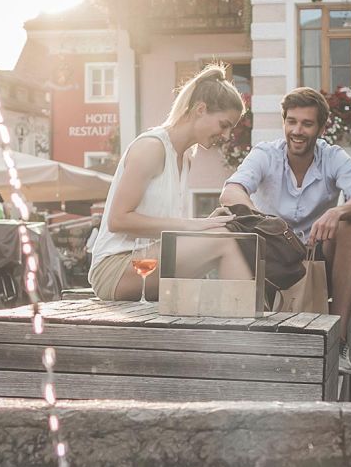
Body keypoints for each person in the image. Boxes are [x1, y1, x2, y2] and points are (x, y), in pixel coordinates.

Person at [221, 87, 351, 375]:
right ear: (284, 122)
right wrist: (262, 222)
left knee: (350, 225)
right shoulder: (265, 154)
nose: (297, 130)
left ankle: (340, 341)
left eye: (306, 123)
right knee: (233, 226)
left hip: (318, 253)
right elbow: (231, 191)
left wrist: (337, 211)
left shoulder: (333, 157)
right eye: (291, 121)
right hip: (271, 254)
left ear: (320, 128)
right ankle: (244, 335)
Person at [89, 64, 248, 301]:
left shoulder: (186, 158)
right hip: (116, 268)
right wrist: (191, 226)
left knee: (231, 234)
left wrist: (204, 225)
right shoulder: (152, 148)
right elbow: (117, 219)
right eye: (224, 125)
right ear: (200, 109)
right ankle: (250, 331)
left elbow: (166, 229)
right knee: (224, 242)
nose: (225, 136)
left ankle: (242, 322)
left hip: (147, 262)